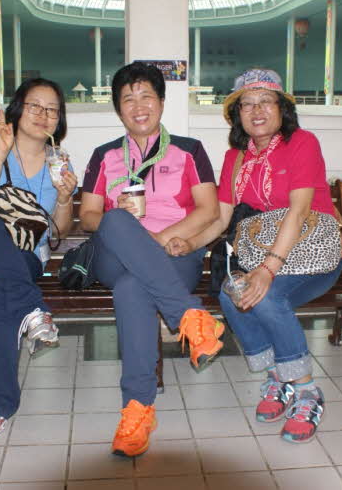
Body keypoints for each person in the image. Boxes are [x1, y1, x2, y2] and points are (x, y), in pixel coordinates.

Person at [168, 68, 342, 444]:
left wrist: (267, 270)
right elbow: (222, 219)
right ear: (237, 115)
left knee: (266, 297)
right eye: (247, 104)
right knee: (230, 293)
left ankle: (307, 392)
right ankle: (278, 377)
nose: (257, 110)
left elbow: (299, 212)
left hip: (313, 254)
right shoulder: (235, 157)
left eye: (266, 101)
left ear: (282, 109)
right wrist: (191, 244)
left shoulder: (302, 143)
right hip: (270, 253)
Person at [80, 62, 223, 457]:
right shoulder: (104, 155)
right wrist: (122, 219)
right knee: (114, 219)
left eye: (146, 96)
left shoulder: (190, 150)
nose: (138, 105)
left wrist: (158, 240)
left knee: (132, 289)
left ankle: (138, 410)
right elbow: (88, 216)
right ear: (118, 109)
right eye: (128, 99)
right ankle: (190, 317)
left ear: (161, 102)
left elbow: (209, 209)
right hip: (114, 254)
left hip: (175, 252)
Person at [0, 78, 78, 455]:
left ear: (59, 118)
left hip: (23, 261)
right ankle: (33, 307)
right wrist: (0, 152)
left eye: (52, 109)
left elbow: (58, 233)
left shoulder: (59, 160)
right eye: (35, 105)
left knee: (1, 292)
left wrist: (65, 197)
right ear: (19, 108)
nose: (43, 114)